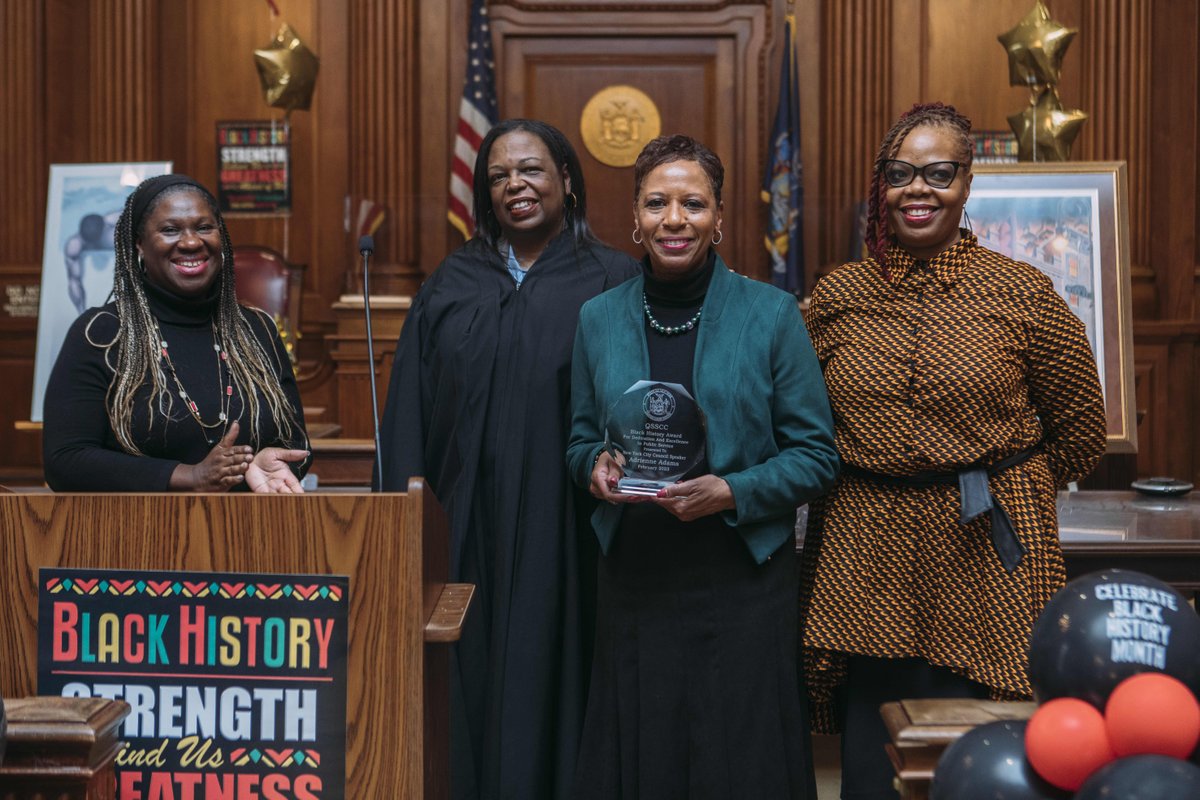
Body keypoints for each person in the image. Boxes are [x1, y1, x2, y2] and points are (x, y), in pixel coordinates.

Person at [798, 102, 1107, 799]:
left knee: (985, 752)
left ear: (968, 182)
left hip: (984, 552)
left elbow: (1082, 427)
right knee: (877, 752)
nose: (918, 190)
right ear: (881, 185)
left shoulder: (1020, 292)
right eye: (900, 173)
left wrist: (1008, 488)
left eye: (938, 173)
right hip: (865, 549)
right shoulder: (840, 294)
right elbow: (795, 414)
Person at [566, 134, 840, 799]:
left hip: (740, 581)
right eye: (657, 202)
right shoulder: (597, 319)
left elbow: (817, 456)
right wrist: (595, 468)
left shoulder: (771, 315)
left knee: (738, 761)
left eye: (693, 203)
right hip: (636, 578)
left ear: (720, 219)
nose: (674, 218)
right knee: (645, 758)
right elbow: (577, 440)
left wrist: (732, 491)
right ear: (634, 218)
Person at [377, 119, 639, 800]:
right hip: (465, 523)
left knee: (559, 668)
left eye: (530, 170)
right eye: (498, 176)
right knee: (467, 665)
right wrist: (405, 527)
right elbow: (410, 410)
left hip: (569, 529)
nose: (514, 186)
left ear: (567, 181)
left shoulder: (613, 281)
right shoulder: (451, 282)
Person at [43, 174, 310, 493]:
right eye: (170, 230)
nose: (191, 242)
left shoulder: (257, 329)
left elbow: (296, 441)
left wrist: (265, 462)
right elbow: (66, 461)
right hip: (136, 534)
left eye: (204, 227)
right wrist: (189, 476)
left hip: (250, 529)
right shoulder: (101, 334)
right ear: (139, 243)